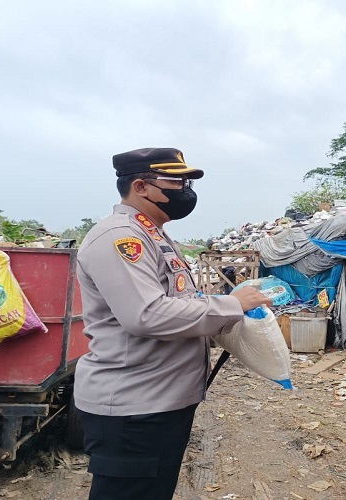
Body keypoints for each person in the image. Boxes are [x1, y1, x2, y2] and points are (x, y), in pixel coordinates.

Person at [73, 147, 272, 500]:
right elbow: (146, 315)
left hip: (160, 400)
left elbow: (181, 304)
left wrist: (225, 325)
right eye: (176, 182)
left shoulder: (155, 235)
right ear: (141, 186)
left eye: (187, 183)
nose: (186, 190)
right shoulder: (121, 237)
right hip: (135, 407)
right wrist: (231, 305)